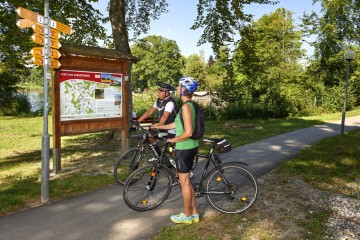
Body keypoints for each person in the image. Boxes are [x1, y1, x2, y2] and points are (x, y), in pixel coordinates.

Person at [153, 76, 200, 224]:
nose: (177, 88)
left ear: (185, 89)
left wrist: (172, 140)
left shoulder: (186, 107)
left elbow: (188, 132)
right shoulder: (189, 105)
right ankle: (194, 213)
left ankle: (186, 216)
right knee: (187, 182)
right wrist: (160, 126)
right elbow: (176, 124)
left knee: (184, 183)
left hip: (184, 148)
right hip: (190, 146)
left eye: (179, 86)